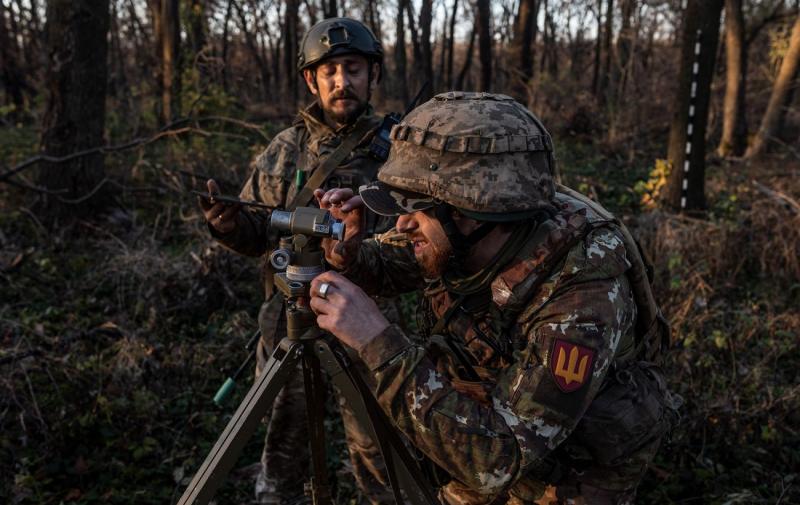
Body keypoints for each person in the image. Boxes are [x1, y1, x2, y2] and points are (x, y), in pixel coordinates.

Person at [308, 92, 680, 504]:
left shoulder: (583, 296)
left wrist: (378, 341)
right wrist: (352, 252)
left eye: (419, 209)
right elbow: (402, 262)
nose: (401, 223)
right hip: (485, 421)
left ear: (475, 214)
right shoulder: (464, 235)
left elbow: (497, 461)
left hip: (569, 465)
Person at [198, 17, 396, 505]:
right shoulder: (285, 149)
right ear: (311, 79)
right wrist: (227, 225)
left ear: (372, 75)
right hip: (291, 320)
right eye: (328, 71)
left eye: (352, 68)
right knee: (284, 439)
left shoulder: (399, 152)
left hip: (369, 324)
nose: (341, 81)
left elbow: (421, 241)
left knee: (380, 446)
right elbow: (257, 233)